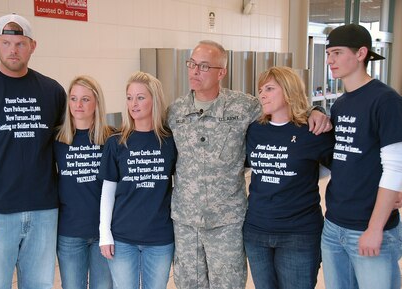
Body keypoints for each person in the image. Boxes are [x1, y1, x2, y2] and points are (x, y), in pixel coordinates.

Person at [167, 40, 331, 289]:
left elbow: (286, 109)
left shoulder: (245, 107)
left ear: (221, 72)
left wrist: (316, 110)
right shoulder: (174, 111)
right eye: (191, 64)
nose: (194, 71)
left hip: (228, 222)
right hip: (186, 221)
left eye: (203, 66)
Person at [0, 14, 66, 289]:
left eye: (20, 44)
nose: (13, 50)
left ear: (33, 46)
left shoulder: (52, 91)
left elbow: (66, 148)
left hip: (44, 212)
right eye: (7, 43)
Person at [321, 23, 402, 289]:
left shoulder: (385, 100)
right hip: (334, 225)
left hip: (369, 228)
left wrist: (375, 228)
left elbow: (395, 166)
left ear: (361, 53)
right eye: (329, 53)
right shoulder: (341, 103)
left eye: (337, 52)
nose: (331, 59)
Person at [243, 66, 334, 289]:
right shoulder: (254, 130)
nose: (262, 94)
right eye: (261, 89)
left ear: (289, 91)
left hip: (299, 233)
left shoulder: (312, 131)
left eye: (270, 88)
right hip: (257, 231)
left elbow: (344, 169)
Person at [99, 71, 176, 289]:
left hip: (160, 237)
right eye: (129, 97)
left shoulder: (170, 141)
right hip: (123, 237)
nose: (134, 103)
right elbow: (107, 191)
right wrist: (104, 233)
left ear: (155, 99)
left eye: (141, 97)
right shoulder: (116, 142)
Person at [55, 75, 113, 289]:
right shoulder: (57, 141)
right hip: (70, 233)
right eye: (73, 98)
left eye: (85, 99)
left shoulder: (111, 139)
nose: (78, 105)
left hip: (104, 233)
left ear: (97, 103)